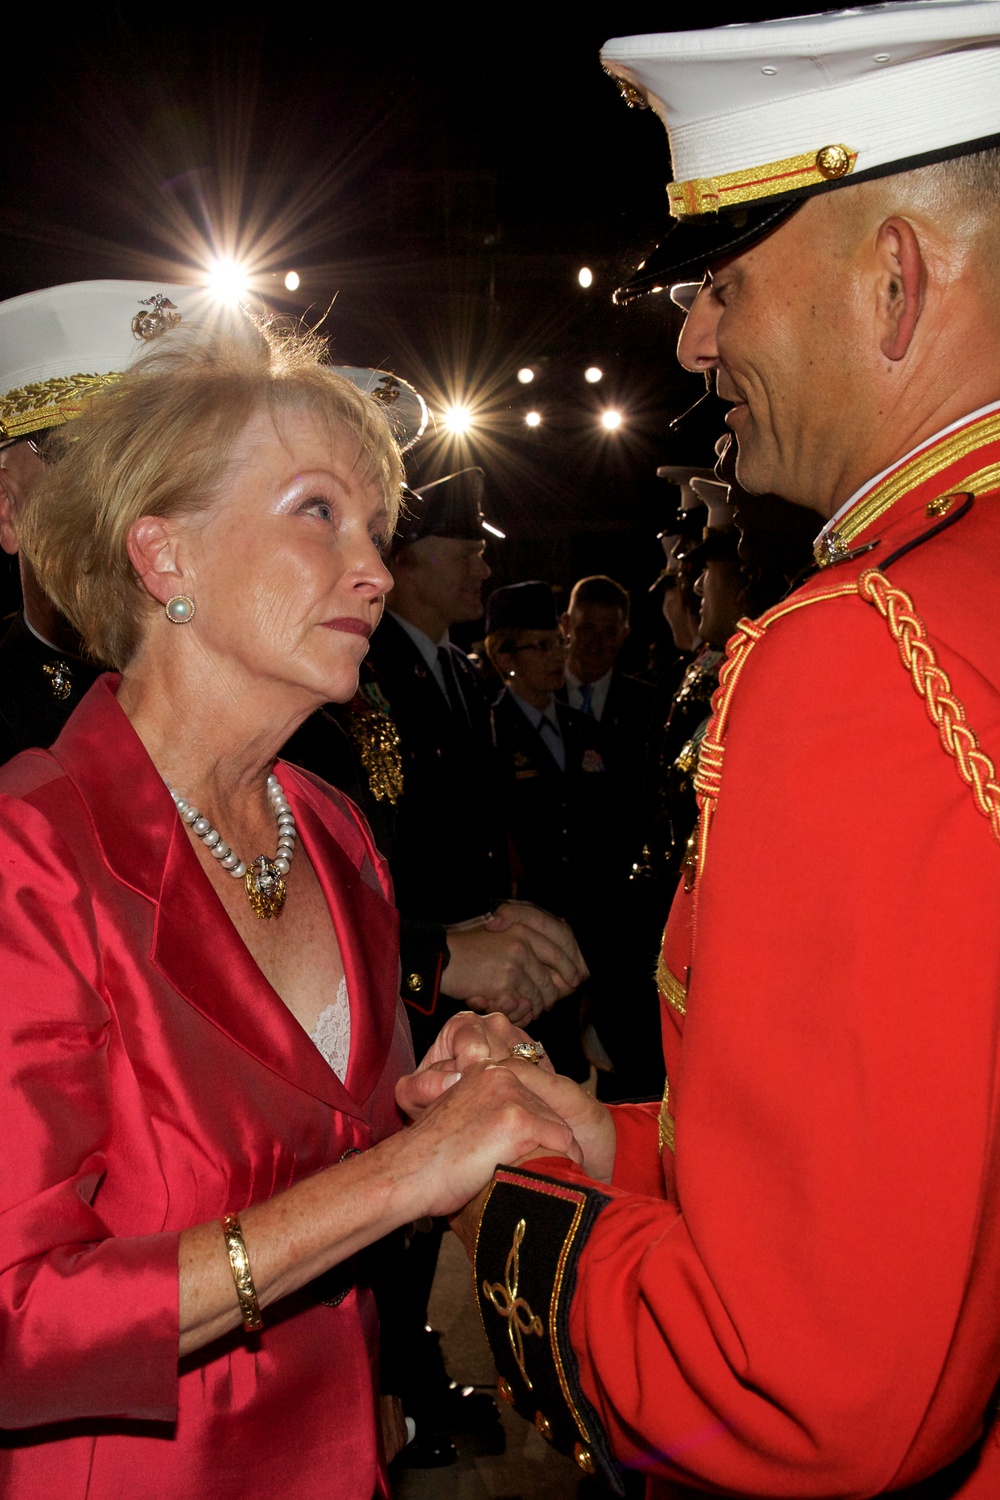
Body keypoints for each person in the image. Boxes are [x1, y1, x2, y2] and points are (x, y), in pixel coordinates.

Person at [398, 6, 1000, 1497]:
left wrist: (508, 1195)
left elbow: (805, 1388)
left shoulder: (862, 647)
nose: (694, 339)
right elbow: (923, 1167)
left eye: (725, 284)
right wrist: (606, 1138)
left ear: (896, 280)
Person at [0, 314, 579, 1499]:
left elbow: (338, 1177)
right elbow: (20, 1324)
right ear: (164, 559)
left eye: (375, 526)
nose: (372, 566)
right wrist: (405, 1173)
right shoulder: (33, 853)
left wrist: (440, 1093)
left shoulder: (329, 829)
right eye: (316, 512)